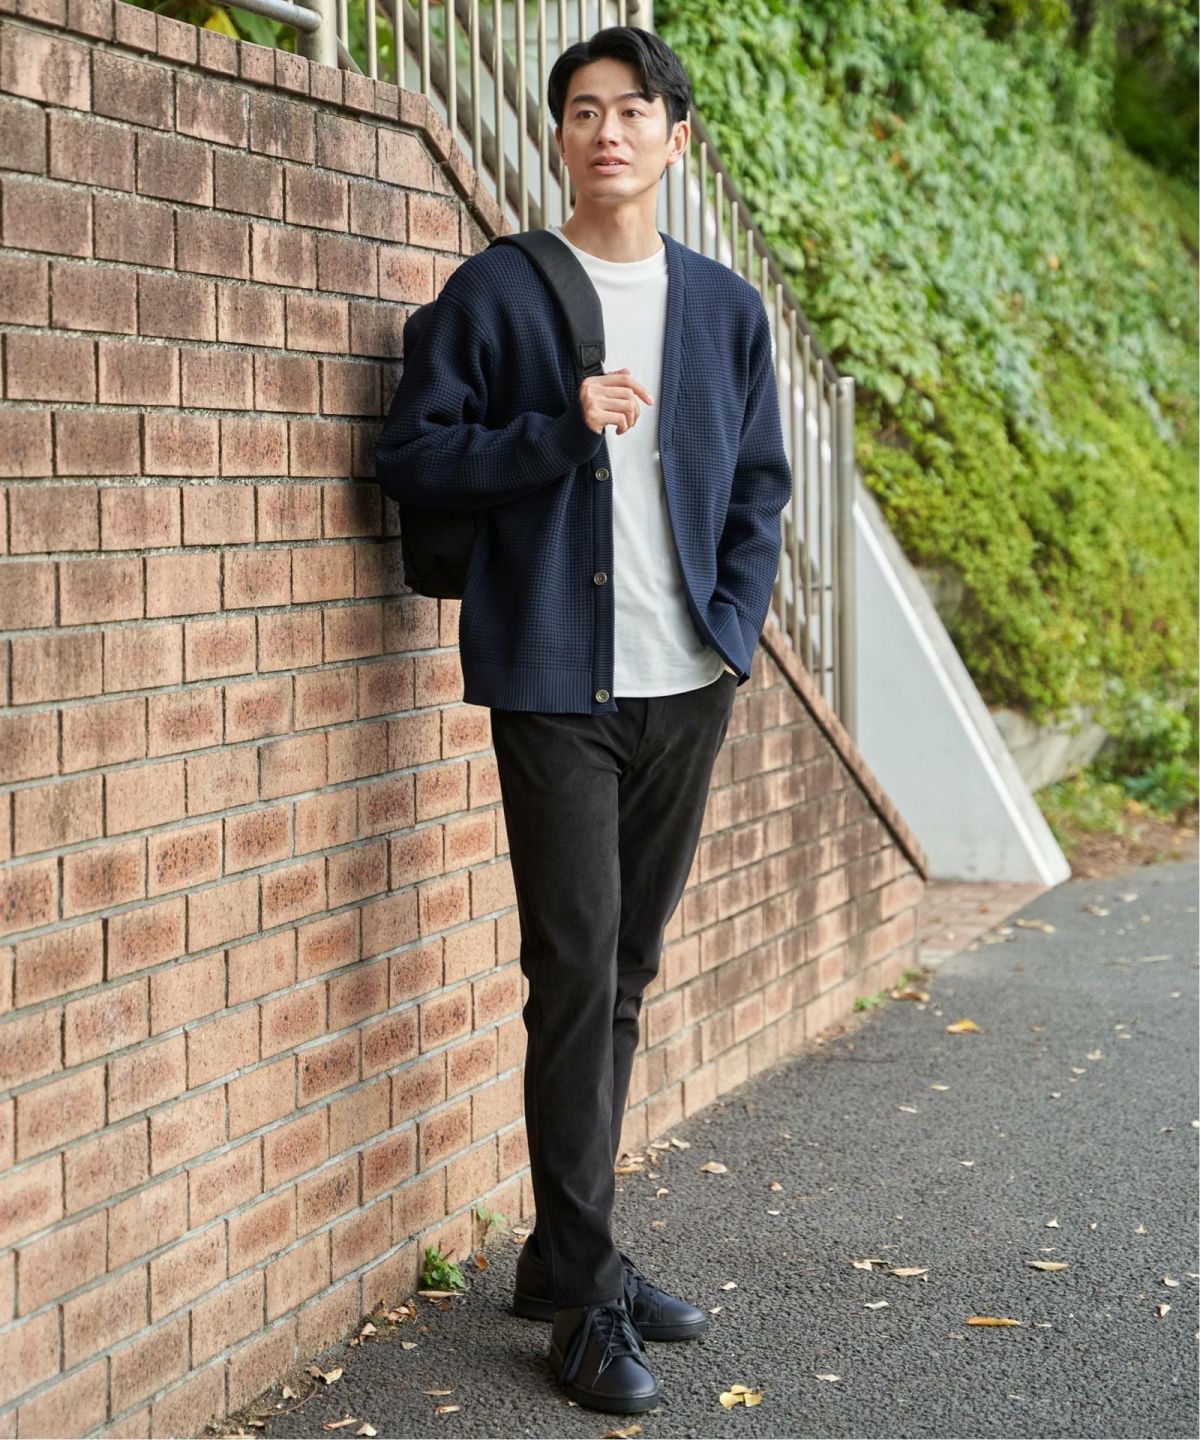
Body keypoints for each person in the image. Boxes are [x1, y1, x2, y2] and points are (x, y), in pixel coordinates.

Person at [374, 24, 793, 1416]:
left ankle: (568, 1255)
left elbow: (759, 486)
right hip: (556, 682)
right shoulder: (500, 290)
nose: (606, 131)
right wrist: (559, 427)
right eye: (582, 111)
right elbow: (413, 455)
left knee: (623, 976)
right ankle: (585, 1300)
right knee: (571, 975)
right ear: (558, 136)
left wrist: (732, 631)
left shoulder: (725, 308)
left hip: (688, 686)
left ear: (678, 139)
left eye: (632, 110)